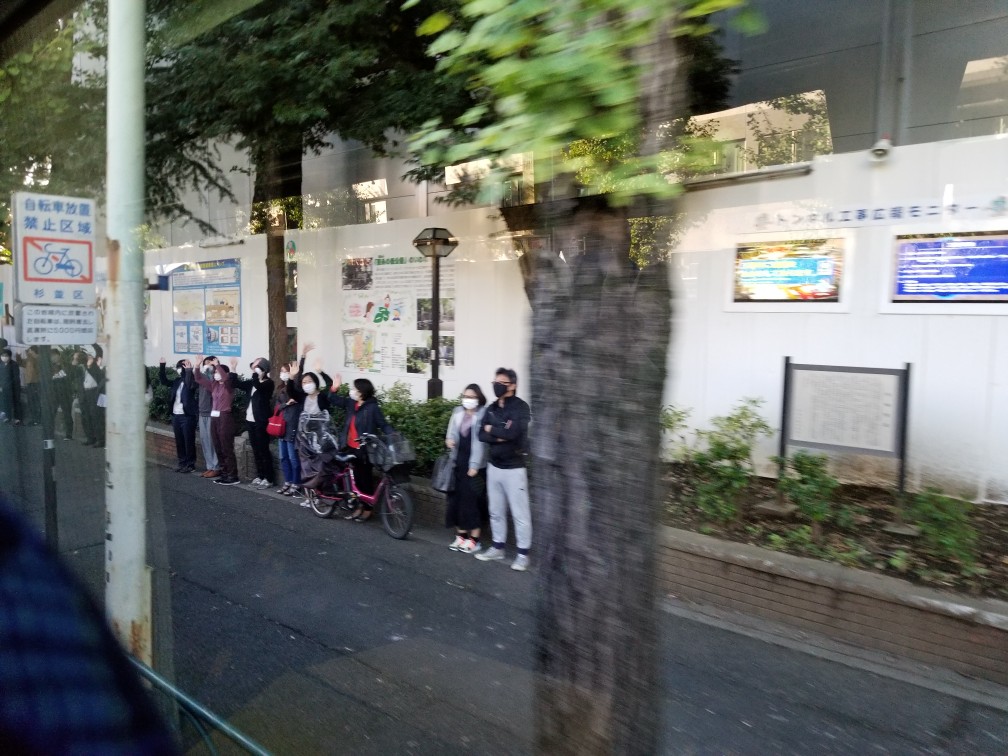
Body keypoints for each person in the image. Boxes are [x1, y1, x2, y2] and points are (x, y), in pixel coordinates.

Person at [476, 367, 532, 571]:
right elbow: (481, 434)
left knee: (520, 513)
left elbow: (513, 434)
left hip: (514, 468)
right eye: (495, 382)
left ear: (513, 385)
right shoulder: (491, 408)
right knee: (495, 510)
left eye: (502, 382)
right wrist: (499, 433)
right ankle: (497, 547)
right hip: (494, 466)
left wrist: (493, 430)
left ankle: (523, 555)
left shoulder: (520, 407)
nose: (496, 385)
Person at [324, 374, 394, 521]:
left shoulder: (372, 408)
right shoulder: (352, 403)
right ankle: (358, 505)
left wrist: (393, 437)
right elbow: (333, 399)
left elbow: (383, 425)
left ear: (362, 392)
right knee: (353, 479)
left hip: (365, 449)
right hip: (349, 446)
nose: (352, 391)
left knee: (364, 479)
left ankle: (368, 508)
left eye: (354, 389)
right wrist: (333, 389)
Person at [444, 384, 489, 554]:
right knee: (456, 501)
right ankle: (461, 536)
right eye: (465, 396)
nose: (468, 400)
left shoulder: (483, 414)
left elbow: (481, 443)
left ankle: (475, 540)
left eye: (471, 397)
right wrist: (449, 440)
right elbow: (451, 433)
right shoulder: (457, 412)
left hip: (476, 467)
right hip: (458, 463)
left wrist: (475, 465)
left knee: (473, 502)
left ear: (478, 398)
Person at [191, 355, 240, 486]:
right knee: (217, 446)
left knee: (226, 447)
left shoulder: (229, 386)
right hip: (214, 417)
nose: (216, 374)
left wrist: (217, 365)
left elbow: (226, 378)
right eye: (215, 373)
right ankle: (224, 473)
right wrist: (197, 365)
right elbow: (198, 378)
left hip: (225, 416)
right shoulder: (214, 385)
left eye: (217, 372)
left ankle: (232, 475)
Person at [232, 358, 276, 490]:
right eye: (254, 366)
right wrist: (233, 369)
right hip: (250, 420)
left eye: (257, 366)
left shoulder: (268, 383)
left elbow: (259, 387)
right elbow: (236, 384)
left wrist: (255, 376)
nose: (254, 368)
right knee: (255, 449)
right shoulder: (252, 382)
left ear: (264, 369)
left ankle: (269, 478)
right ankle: (260, 475)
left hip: (261, 421)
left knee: (263, 449)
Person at [159, 357, 199, 473]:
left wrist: (189, 371)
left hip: (187, 416)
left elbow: (190, 385)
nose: (180, 369)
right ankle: (182, 462)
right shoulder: (177, 381)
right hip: (176, 415)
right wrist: (162, 366)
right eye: (179, 367)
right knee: (179, 441)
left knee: (188, 441)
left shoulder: (193, 380)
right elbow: (164, 381)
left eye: (183, 366)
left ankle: (190, 465)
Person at [274, 361, 303, 497]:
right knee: (283, 457)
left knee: (293, 458)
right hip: (282, 426)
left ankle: (296, 483)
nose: (283, 374)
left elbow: (294, 391)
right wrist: (285, 404)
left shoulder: (296, 389)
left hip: (292, 426)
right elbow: (277, 407)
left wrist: (302, 358)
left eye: (286, 371)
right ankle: (288, 481)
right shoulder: (280, 388)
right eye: (282, 371)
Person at [196, 356, 220, 478]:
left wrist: (215, 369)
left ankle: (216, 467)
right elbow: (195, 377)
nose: (207, 366)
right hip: (202, 412)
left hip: (212, 413)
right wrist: (197, 365)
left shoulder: (217, 378)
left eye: (210, 363)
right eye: (205, 363)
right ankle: (209, 466)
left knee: (212, 441)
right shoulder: (202, 376)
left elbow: (212, 387)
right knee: (205, 441)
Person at [49, 350, 74, 440]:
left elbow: (69, 376)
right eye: (51, 356)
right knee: (51, 413)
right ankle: (49, 433)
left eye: (54, 356)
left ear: (58, 355)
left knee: (67, 414)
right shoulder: (50, 367)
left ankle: (69, 434)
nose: (53, 358)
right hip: (54, 393)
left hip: (65, 393)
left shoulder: (66, 365)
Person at [0, 349, 21, 424]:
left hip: (13, 387)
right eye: (2, 355)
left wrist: (11, 386)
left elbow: (16, 377)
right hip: (3, 387)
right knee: (5, 402)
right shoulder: (1, 364)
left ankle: (17, 418)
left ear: (10, 356)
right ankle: (7, 417)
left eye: (6, 356)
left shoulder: (14, 364)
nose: (4, 357)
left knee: (15, 402)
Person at [20, 346, 40, 426]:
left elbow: (35, 371)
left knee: (34, 402)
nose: (27, 351)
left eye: (29, 350)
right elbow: (22, 363)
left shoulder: (35, 359)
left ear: (32, 351)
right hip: (30, 382)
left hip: (34, 383)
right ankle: (34, 419)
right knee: (31, 402)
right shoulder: (30, 359)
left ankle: (36, 419)